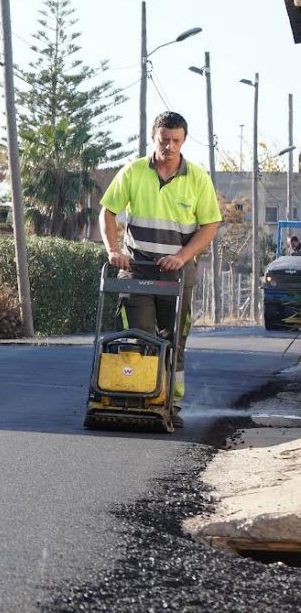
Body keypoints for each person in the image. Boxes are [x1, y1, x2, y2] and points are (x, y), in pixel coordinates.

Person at [99, 111, 222, 428]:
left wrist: (182, 256)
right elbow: (108, 212)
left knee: (173, 342)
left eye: (176, 141)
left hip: (178, 276)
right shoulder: (134, 172)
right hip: (137, 272)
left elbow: (210, 225)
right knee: (136, 338)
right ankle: (135, 396)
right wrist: (114, 251)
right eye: (164, 140)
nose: (169, 146)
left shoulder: (197, 178)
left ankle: (170, 402)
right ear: (154, 137)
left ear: (183, 140)